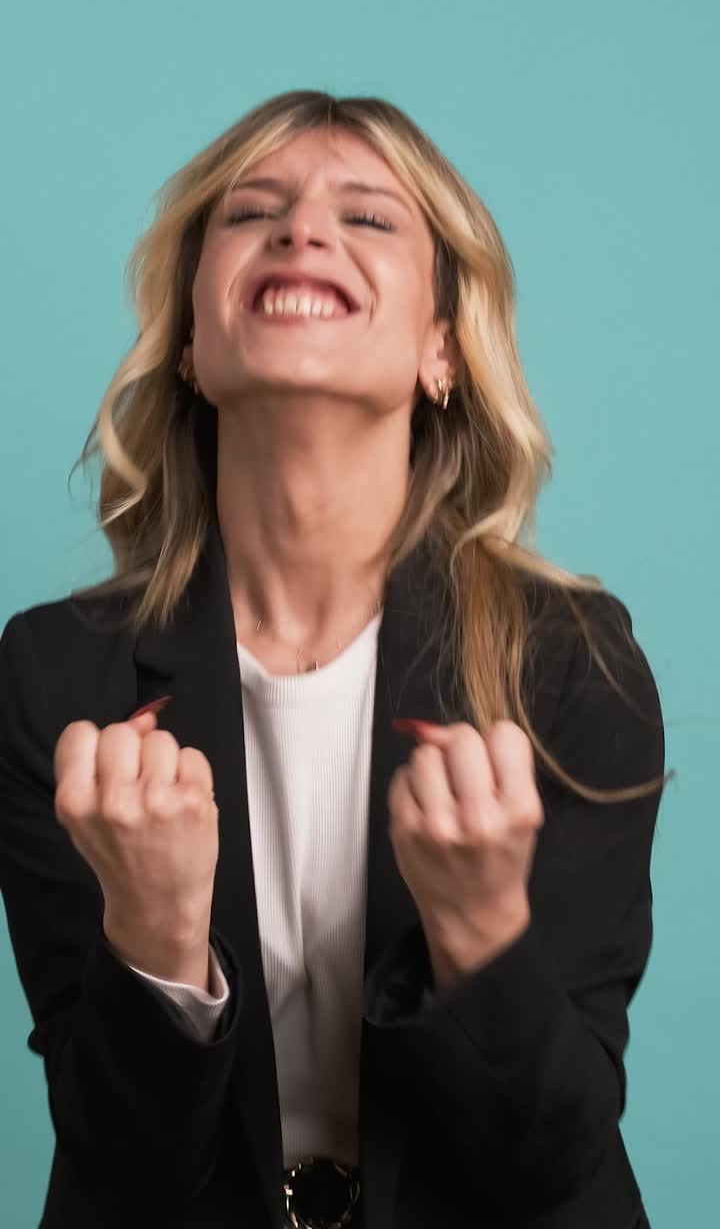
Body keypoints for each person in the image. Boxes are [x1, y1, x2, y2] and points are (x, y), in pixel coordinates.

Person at [0, 90, 665, 1229]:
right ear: (196, 344)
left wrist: (482, 933)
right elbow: (119, 1163)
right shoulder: (56, 676)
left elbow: (557, 1157)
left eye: (367, 219)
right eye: (253, 211)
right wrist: (155, 938)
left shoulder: (572, 665)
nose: (303, 230)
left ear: (443, 349)